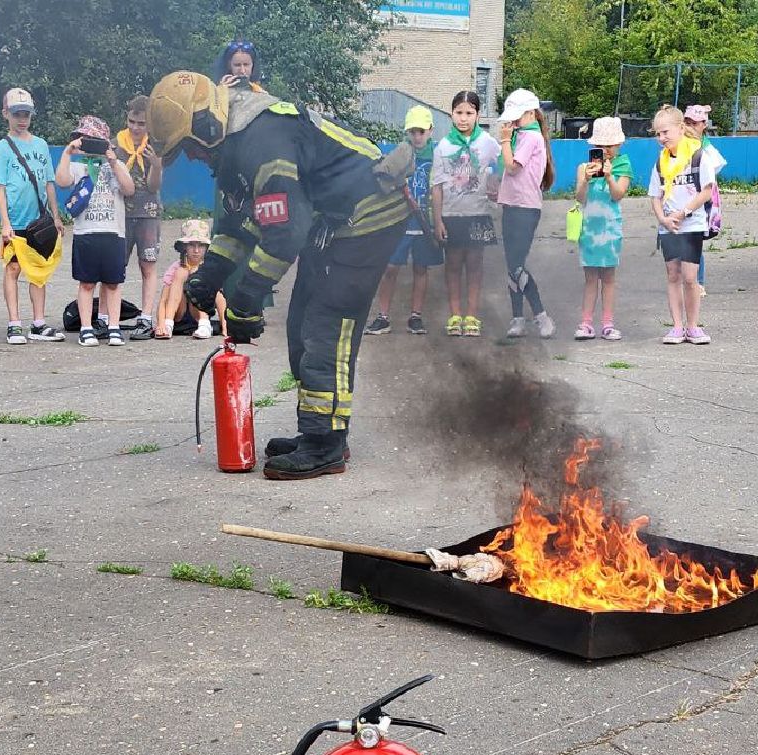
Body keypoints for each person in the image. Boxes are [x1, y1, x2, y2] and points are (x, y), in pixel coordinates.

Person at [149, 70, 411, 479]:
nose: (194, 159)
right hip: (331, 221)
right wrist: (210, 275)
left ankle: (324, 445)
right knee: (301, 323)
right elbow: (243, 225)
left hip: (367, 219)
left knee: (326, 325)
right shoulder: (236, 146)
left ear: (206, 126)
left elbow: (284, 234)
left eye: (188, 149)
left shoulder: (261, 141)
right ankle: (322, 433)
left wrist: (245, 302)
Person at [55, 115, 136, 347]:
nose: (89, 143)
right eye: (84, 138)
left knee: (113, 283)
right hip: (86, 232)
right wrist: (67, 153)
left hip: (113, 233)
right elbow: (61, 181)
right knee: (86, 283)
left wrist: (112, 160)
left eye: (94, 140)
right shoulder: (78, 166)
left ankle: (113, 326)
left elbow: (129, 189)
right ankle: (86, 327)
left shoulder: (116, 165)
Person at [0, 87, 62, 345]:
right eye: (17, 113)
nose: (22, 119)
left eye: (26, 114)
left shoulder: (41, 145)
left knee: (39, 270)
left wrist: (55, 215)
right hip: (16, 220)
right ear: (6, 114)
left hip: (39, 220)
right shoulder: (3, 147)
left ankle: (39, 322)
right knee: (13, 268)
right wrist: (5, 223)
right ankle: (14, 323)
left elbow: (49, 183)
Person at [367, 105, 441, 337]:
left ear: (430, 130)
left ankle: (415, 316)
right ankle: (383, 317)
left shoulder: (437, 155)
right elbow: (385, 176)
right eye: (413, 132)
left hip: (425, 220)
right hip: (400, 219)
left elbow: (439, 188)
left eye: (421, 131)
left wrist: (437, 219)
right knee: (390, 267)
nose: (417, 136)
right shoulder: (402, 152)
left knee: (421, 268)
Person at [431, 90, 499, 337]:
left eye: (469, 113)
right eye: (459, 112)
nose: (464, 118)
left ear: (478, 115)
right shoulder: (443, 146)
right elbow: (436, 187)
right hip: (451, 215)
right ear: (451, 114)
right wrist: (437, 219)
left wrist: (495, 183)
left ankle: (472, 315)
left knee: (475, 265)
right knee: (453, 266)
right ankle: (454, 315)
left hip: (478, 214)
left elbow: (500, 168)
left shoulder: (488, 142)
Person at [649, 103, 716, 345]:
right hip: (669, 227)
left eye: (665, 132)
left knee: (690, 277)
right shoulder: (660, 162)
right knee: (673, 275)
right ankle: (677, 326)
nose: (661, 138)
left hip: (691, 224)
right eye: (658, 133)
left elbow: (706, 191)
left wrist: (684, 212)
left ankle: (693, 326)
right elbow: (654, 196)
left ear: (680, 128)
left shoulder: (697, 155)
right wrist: (663, 219)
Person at [496, 87, 555, 339]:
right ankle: (517, 318)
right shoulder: (523, 136)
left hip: (525, 209)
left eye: (517, 116)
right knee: (512, 267)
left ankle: (541, 316)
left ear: (531, 113)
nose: (513, 121)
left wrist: (504, 140)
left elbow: (511, 167)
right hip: (511, 206)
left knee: (517, 267)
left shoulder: (530, 138)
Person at [572, 116, 632, 341]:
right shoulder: (583, 167)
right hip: (589, 228)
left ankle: (608, 323)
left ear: (619, 145)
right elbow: (580, 197)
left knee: (608, 277)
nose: (605, 150)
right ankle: (586, 323)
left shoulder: (623, 166)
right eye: (601, 146)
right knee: (590, 278)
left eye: (610, 145)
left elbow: (618, 195)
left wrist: (608, 177)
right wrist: (585, 180)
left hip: (610, 228)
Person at [115, 96, 163, 339]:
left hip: (148, 212)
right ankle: (108, 317)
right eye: (131, 121)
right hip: (119, 214)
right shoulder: (116, 145)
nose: (135, 128)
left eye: (141, 123)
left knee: (148, 265)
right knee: (115, 267)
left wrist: (156, 165)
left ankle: (145, 317)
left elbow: (154, 186)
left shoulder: (155, 144)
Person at [154, 218, 224, 338]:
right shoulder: (175, 268)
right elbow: (163, 300)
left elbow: (219, 297)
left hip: (199, 314)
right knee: (181, 272)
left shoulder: (210, 267)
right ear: (184, 247)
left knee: (199, 275)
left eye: (201, 245)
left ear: (207, 247)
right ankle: (168, 324)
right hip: (178, 314)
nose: (196, 251)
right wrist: (160, 323)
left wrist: (225, 323)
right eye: (191, 245)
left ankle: (204, 325)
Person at [683, 104, 725, 296]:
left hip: (703, 195)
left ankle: (698, 282)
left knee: (695, 239)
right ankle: (686, 279)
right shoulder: (680, 143)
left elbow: (716, 165)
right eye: (687, 122)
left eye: (695, 123)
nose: (691, 126)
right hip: (685, 194)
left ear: (704, 124)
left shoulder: (705, 145)